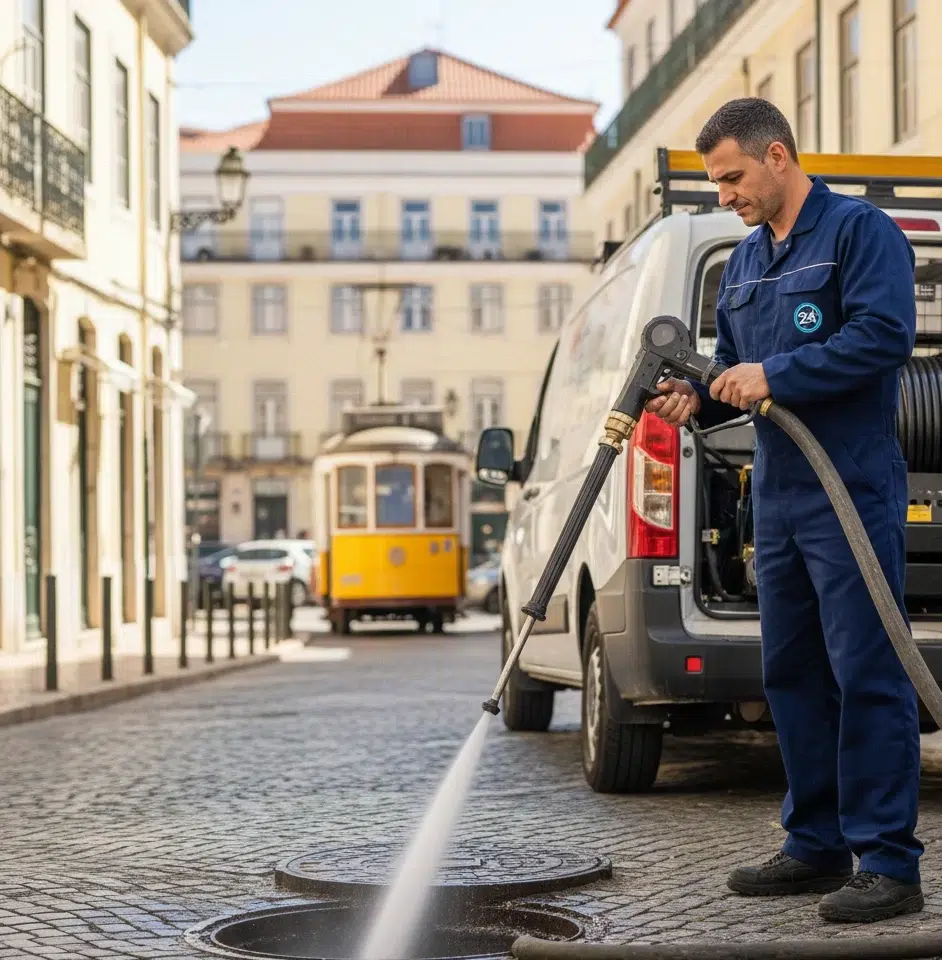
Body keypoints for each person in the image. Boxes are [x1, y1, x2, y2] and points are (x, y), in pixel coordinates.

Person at [646, 98, 922, 924]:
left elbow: (884, 337)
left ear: (778, 155)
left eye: (731, 177)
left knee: (866, 668)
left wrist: (778, 375)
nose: (723, 195)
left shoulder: (857, 234)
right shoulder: (744, 262)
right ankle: (815, 844)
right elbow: (735, 370)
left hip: (851, 485)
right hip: (780, 492)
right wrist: (698, 397)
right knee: (792, 672)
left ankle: (888, 863)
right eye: (714, 183)